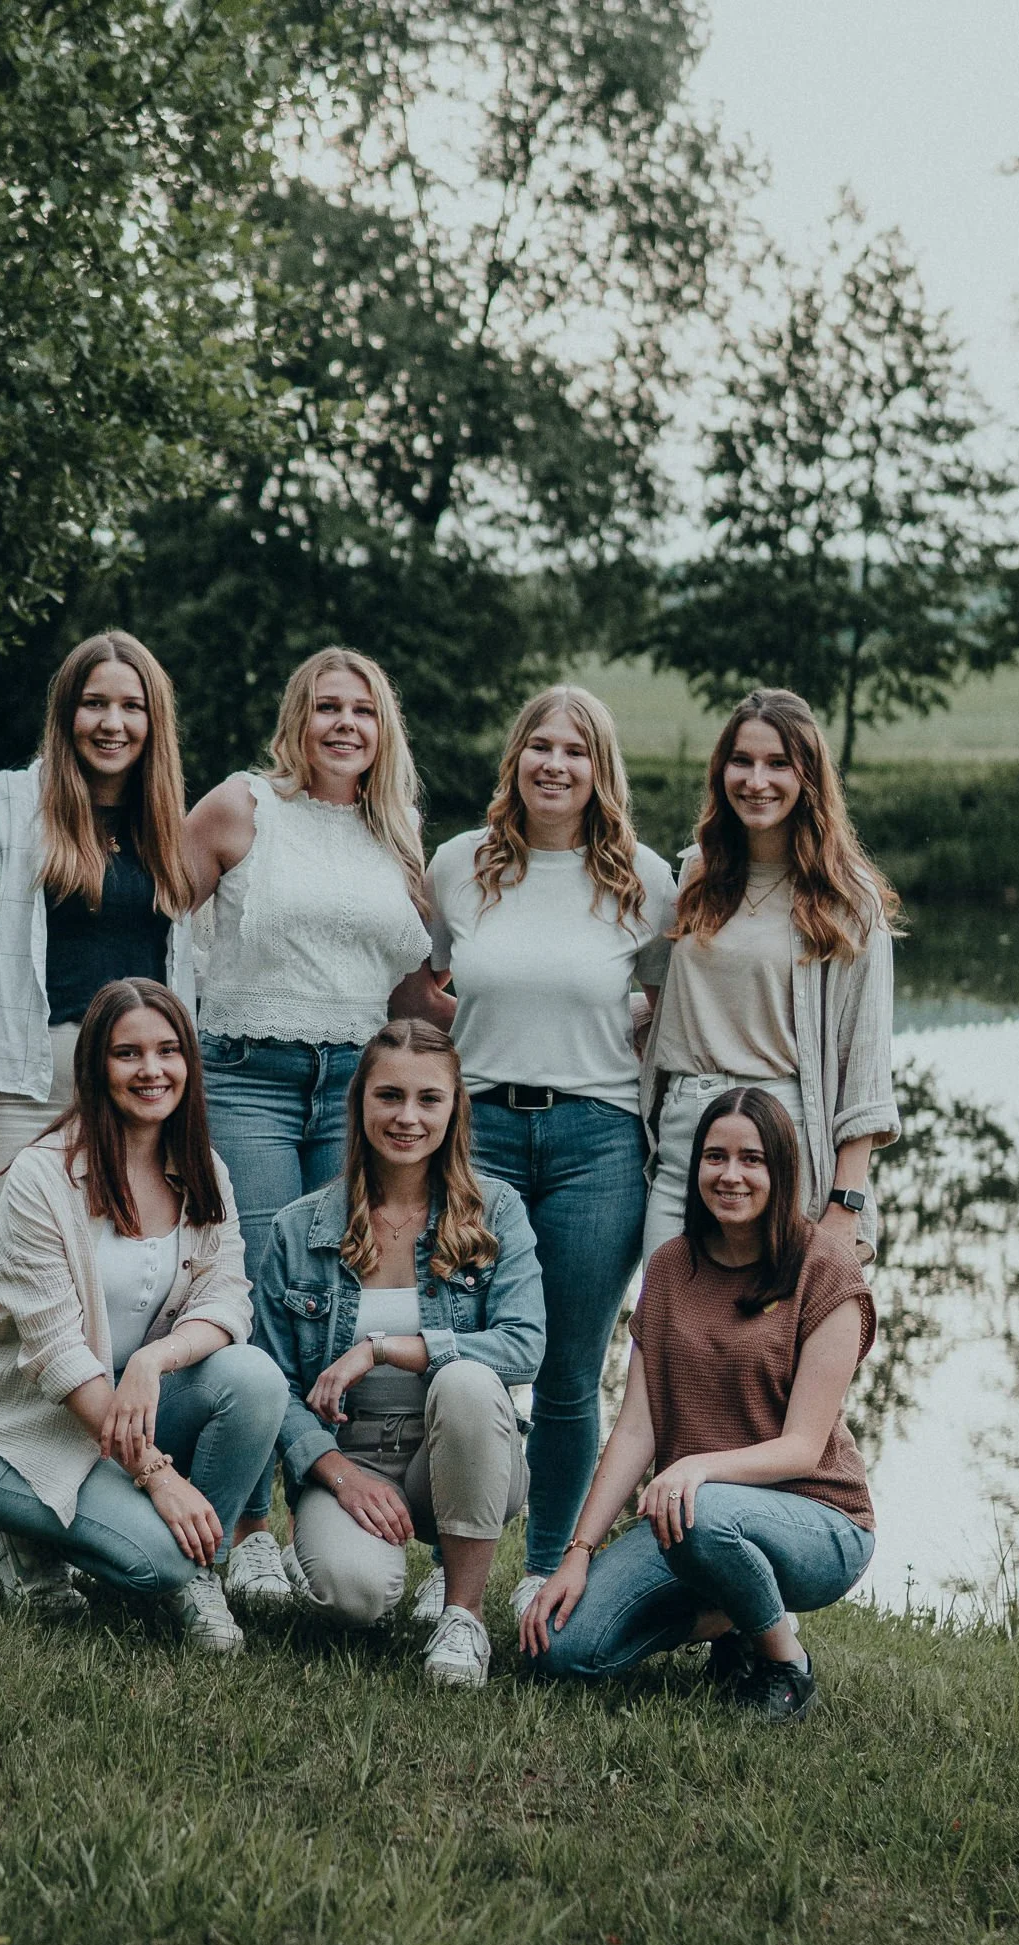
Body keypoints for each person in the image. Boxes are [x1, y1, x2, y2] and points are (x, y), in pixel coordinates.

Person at [420, 686, 677, 1624]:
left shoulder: (646, 880)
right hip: (477, 1135)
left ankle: (542, 1571)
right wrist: (466, 1046)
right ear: (516, 760)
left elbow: (667, 1007)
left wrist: (605, 1030)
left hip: (595, 1142)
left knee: (567, 1371)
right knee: (465, 1358)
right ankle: (453, 1568)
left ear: (600, 770)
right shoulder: (460, 865)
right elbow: (421, 983)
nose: (556, 765)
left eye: (576, 751)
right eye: (540, 747)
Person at [183, 648, 434, 1604]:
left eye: (362, 711)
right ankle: (247, 1528)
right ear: (298, 718)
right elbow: (160, 928)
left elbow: (410, 991)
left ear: (382, 729)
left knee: (331, 1296)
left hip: (356, 1091)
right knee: (254, 1288)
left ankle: (314, 1513)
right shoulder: (242, 806)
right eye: (327, 707)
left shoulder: (396, 834)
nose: (344, 725)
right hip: (247, 1075)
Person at [0, 979, 287, 1652]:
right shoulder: (42, 1179)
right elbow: (59, 1358)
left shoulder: (203, 1170)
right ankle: (24, 1534)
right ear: (97, 1066)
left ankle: (201, 1574)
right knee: (155, 1562)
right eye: (128, 1053)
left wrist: (155, 1361)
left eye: (168, 1051)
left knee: (255, 1380)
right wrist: (158, 1477)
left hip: (128, 1415)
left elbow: (226, 1298)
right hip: (24, 1433)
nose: (151, 1070)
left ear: (189, 1061)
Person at [519, 1088, 877, 1722]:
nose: (730, 1175)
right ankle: (730, 1616)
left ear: (782, 1169)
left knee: (704, 1511)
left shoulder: (825, 1271)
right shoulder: (669, 1268)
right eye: (716, 1157)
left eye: (751, 1159)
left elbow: (802, 1448)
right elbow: (636, 1430)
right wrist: (578, 1553)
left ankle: (784, 1661)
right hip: (691, 1521)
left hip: (817, 1521)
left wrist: (697, 1468)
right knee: (558, 1647)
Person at [253, 1020, 545, 1687]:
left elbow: (523, 1346)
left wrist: (384, 1350)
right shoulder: (299, 1227)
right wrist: (334, 1472)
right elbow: (273, 1379)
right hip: (350, 1452)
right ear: (360, 1101)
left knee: (467, 1380)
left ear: (454, 1108)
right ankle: (326, 1545)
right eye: (389, 1095)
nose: (407, 1117)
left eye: (428, 1099)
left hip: (458, 1449)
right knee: (353, 1597)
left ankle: (463, 1616)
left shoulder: (496, 1212)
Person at [0, 631, 197, 1252]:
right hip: (25, 1091)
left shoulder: (167, 826)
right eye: (93, 703)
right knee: (9, 1275)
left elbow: (195, 969)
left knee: (123, 1274)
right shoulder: (2, 806)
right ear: (65, 713)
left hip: (141, 1091)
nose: (112, 723)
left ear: (154, 721)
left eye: (131, 707)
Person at [639, 687, 901, 1265]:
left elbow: (863, 1068)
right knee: (663, 1311)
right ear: (721, 771)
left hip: (783, 1140)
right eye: (743, 761)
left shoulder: (847, 899)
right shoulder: (696, 873)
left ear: (809, 777)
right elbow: (675, 1005)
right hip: (687, 1138)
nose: (756, 781)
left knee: (772, 1319)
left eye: (778, 763)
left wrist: (846, 1205)